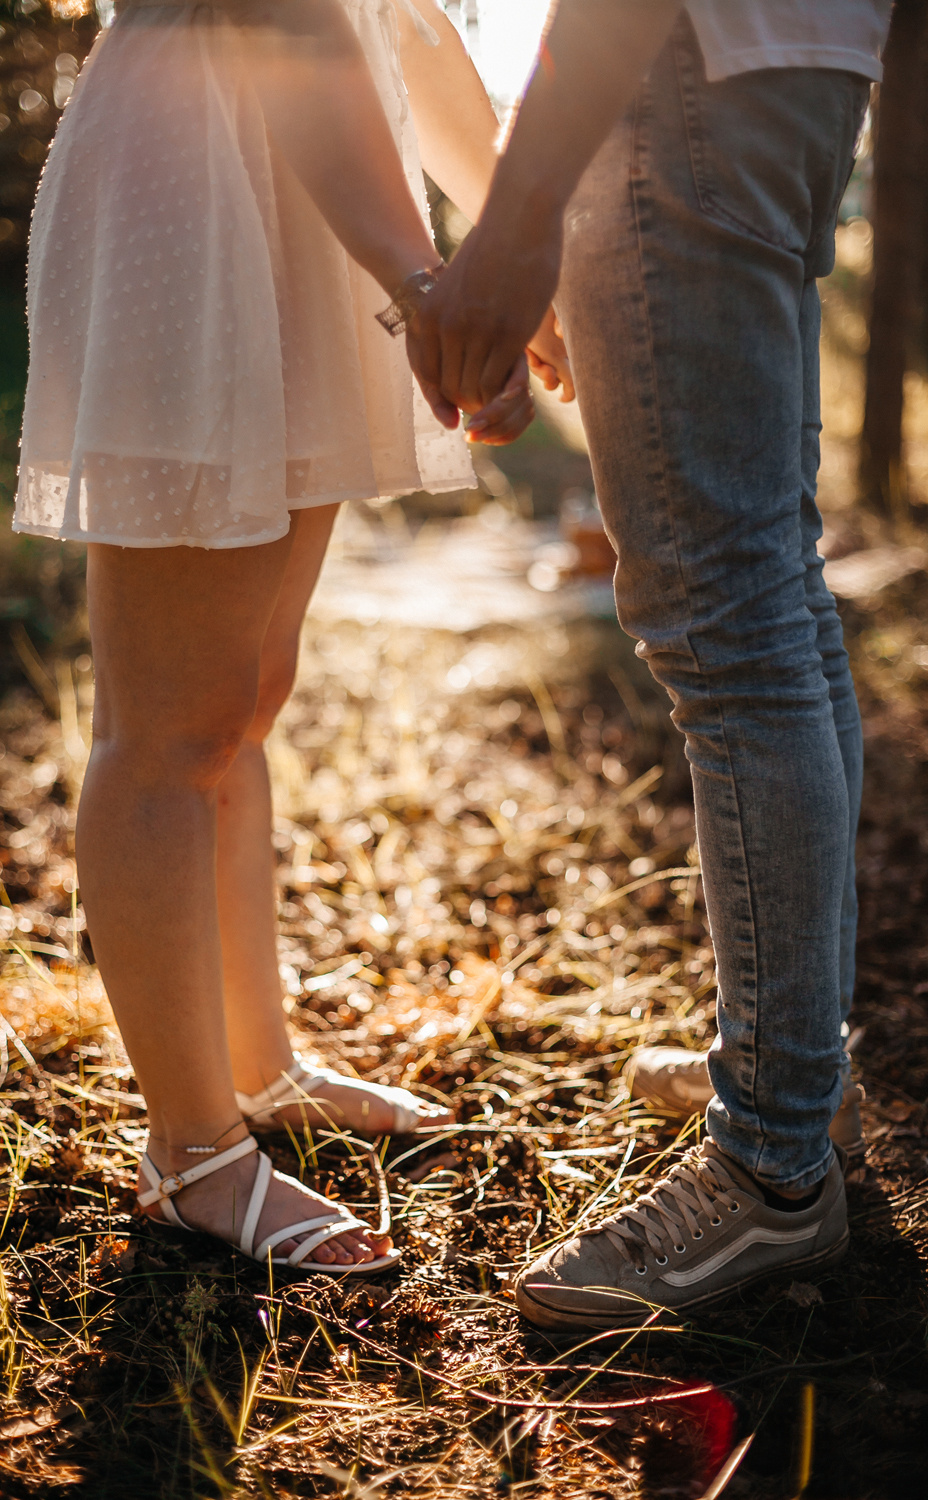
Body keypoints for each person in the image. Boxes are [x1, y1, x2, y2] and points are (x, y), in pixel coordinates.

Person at [13, 0, 569, 1272]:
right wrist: (427, 283)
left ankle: (258, 1069)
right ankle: (192, 1155)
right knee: (169, 723)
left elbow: (405, 26)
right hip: (196, 187)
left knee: (244, 697)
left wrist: (504, 250)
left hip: (313, 185)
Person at [406, 0, 893, 1328]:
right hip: (786, 69)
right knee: (773, 592)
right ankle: (797, 1075)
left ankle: (772, 1162)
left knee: (730, 622)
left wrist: (519, 216)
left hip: (677, 73)